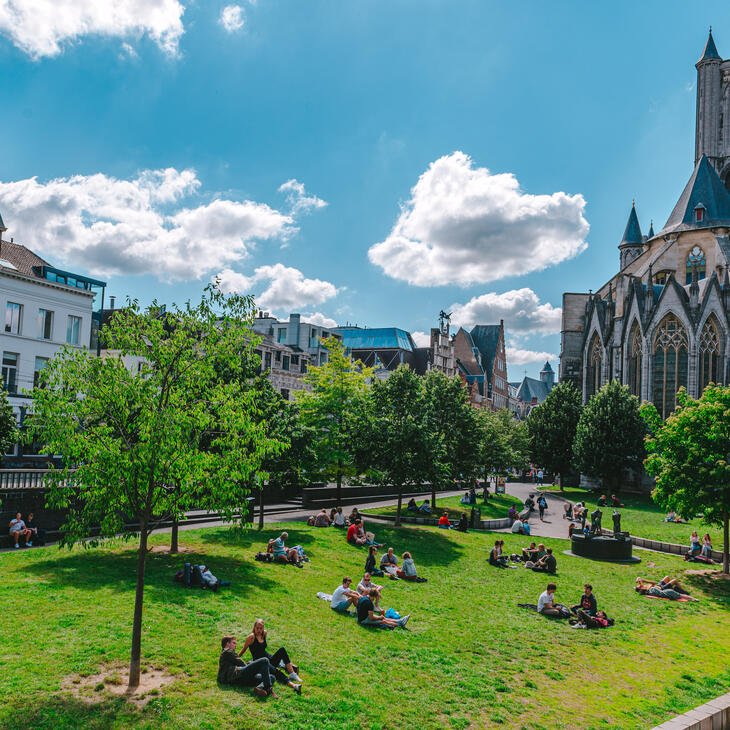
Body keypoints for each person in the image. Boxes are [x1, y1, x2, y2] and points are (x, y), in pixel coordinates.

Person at [239, 619, 302, 693]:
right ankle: (294, 685)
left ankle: (292, 674)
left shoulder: (264, 633)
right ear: (254, 628)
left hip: (269, 659)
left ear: (263, 628)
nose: (259, 630)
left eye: (261, 628)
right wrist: (235, 659)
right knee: (277, 672)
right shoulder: (251, 638)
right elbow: (243, 650)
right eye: (257, 628)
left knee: (282, 650)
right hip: (262, 662)